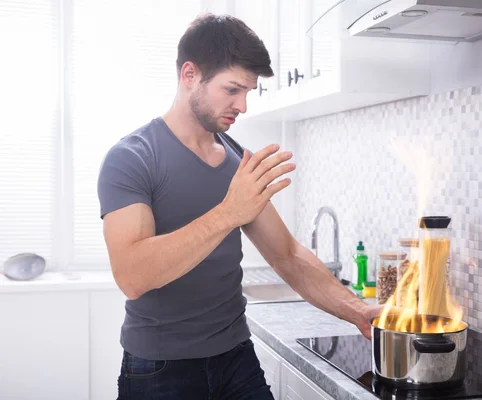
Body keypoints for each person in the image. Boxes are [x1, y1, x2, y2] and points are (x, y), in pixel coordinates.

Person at [98, 13, 381, 400]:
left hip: (237, 359)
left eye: (249, 91)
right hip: (161, 370)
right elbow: (132, 276)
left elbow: (287, 254)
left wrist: (357, 310)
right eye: (232, 89)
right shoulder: (132, 158)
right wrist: (230, 212)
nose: (243, 105)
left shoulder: (236, 159)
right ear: (190, 75)